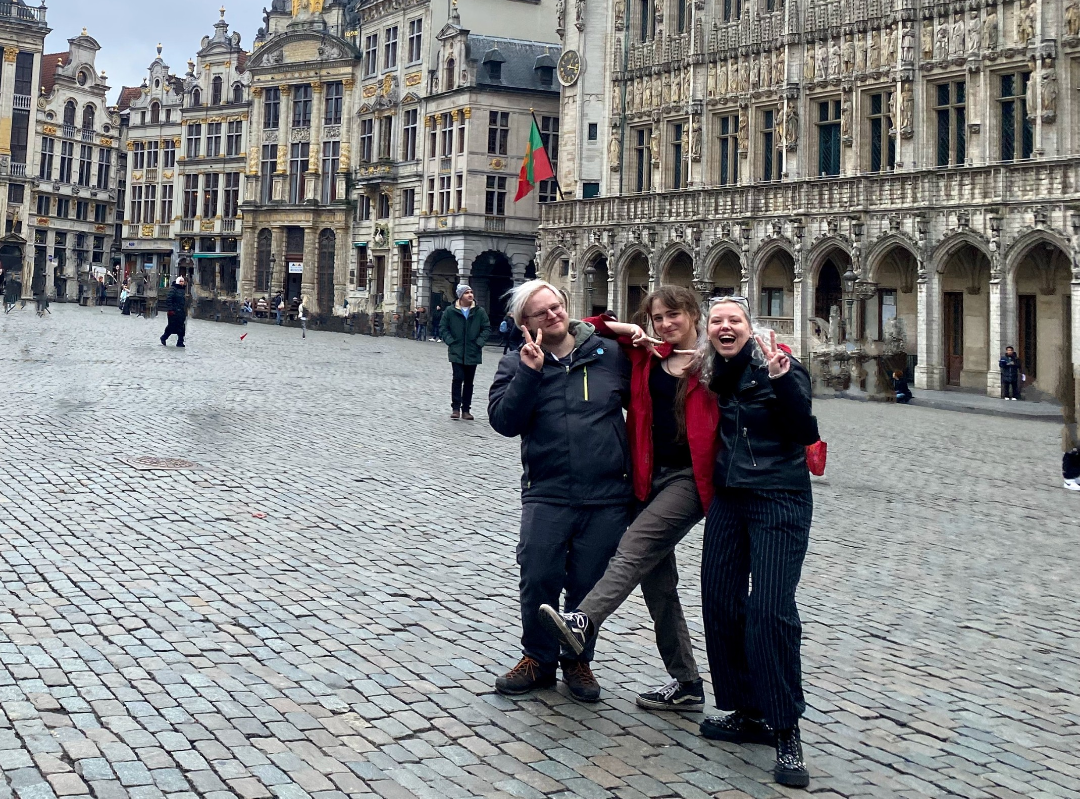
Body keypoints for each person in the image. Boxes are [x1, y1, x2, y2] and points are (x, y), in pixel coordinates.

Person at [539, 287, 719, 713]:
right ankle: (688, 683)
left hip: (691, 479)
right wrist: (629, 328)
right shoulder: (648, 355)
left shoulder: (714, 364)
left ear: (693, 314)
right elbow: (589, 328)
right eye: (657, 318)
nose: (665, 325)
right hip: (646, 475)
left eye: (673, 315)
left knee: (633, 548)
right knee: (659, 587)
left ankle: (581, 621)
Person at [695, 297, 820, 790]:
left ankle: (785, 730)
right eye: (718, 321)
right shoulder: (716, 370)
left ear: (751, 327)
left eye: (735, 320)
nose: (726, 327)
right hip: (730, 499)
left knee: (770, 611)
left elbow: (805, 429)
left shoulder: (782, 364)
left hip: (779, 498)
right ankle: (748, 711)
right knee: (721, 603)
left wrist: (781, 379)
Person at [488, 279, 632, 703]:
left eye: (556, 307)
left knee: (588, 584)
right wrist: (530, 374)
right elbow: (504, 422)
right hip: (546, 490)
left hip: (606, 494)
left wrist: (630, 332)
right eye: (541, 312)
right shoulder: (516, 364)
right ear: (524, 323)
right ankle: (537, 658)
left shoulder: (609, 355)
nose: (552, 315)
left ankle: (577, 660)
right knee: (538, 575)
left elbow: (647, 400)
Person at [439, 285, 491, 420]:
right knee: (457, 378)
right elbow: (443, 328)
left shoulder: (479, 312)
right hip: (457, 350)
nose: (470, 295)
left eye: (471, 292)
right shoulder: (451, 311)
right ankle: (455, 408)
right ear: (460, 296)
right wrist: (451, 341)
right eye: (467, 292)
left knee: (469, 381)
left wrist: (479, 343)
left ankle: (466, 409)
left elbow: (486, 329)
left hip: (473, 351)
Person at [160, 277, 188, 348]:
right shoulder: (173, 289)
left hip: (181, 311)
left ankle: (180, 342)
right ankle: (164, 337)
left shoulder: (183, 290)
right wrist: (171, 309)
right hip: (173, 312)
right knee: (171, 326)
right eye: (180, 281)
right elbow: (169, 299)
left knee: (182, 327)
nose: (182, 283)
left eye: (183, 281)